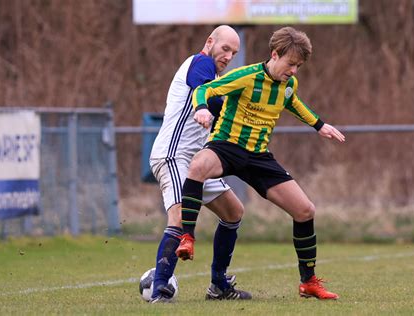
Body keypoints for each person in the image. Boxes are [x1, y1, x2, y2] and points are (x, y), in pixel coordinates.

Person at [176, 26, 345, 300]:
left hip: (258, 157)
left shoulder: (288, 84)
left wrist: (319, 125)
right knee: (197, 167)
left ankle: (309, 282)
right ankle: (188, 238)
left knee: (305, 210)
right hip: (226, 146)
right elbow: (204, 90)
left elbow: (293, 103)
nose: (294, 71)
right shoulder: (246, 76)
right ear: (274, 55)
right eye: (291, 64)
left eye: (299, 66)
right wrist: (203, 108)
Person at [148, 25, 252, 303]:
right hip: (173, 155)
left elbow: (218, 104)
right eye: (225, 48)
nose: (229, 56)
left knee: (233, 211)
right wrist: (204, 107)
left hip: (196, 163)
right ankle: (160, 289)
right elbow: (200, 87)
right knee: (180, 219)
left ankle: (219, 285)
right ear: (210, 42)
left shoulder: (217, 82)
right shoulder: (200, 63)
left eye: (234, 52)